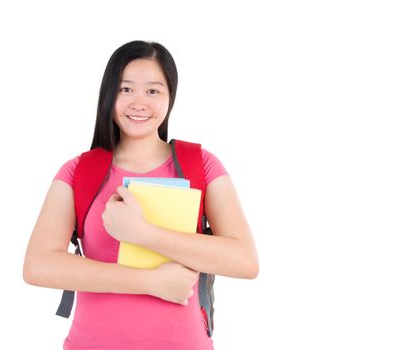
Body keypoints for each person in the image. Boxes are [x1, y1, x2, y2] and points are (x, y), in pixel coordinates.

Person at [23, 40, 258, 350]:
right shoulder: (78, 171)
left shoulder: (201, 165)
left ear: (170, 97)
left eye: (153, 91)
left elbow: (245, 261)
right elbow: (37, 266)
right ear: (109, 95)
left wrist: (143, 233)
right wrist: (150, 283)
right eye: (126, 89)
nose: (139, 102)